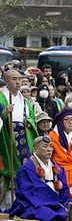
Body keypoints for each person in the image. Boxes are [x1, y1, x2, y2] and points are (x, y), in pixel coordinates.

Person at [4, 135, 71, 221]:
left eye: (50, 146)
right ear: (35, 150)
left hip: (56, 202)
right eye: (45, 146)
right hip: (33, 204)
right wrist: (54, 202)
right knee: (46, 213)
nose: (49, 149)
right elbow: (31, 192)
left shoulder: (58, 168)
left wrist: (60, 202)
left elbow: (64, 188)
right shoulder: (27, 168)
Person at [1, 70, 39, 206]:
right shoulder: (1, 98)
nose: (17, 82)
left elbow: (33, 118)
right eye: (14, 79)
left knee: (24, 170)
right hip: (7, 138)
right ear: (6, 81)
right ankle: (8, 205)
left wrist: (29, 121)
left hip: (23, 138)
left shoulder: (25, 101)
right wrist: (5, 112)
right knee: (10, 169)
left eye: (19, 79)